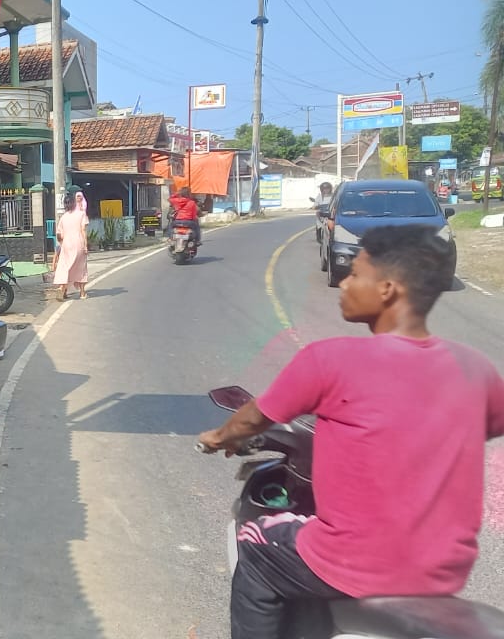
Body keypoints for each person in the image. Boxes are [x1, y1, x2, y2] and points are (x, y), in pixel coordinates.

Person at [197, 224, 504, 639]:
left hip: (357, 563)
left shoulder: (331, 359)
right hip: (444, 572)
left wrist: (219, 438)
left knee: (255, 548)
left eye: (356, 273)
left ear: (387, 289)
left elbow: (253, 418)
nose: (343, 281)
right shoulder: (477, 369)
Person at [51, 191, 89, 300]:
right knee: (81, 268)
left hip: (66, 245)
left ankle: (62, 288)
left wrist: (63, 243)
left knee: (65, 267)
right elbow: (83, 230)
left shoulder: (63, 217)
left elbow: (59, 234)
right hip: (79, 243)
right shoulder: (81, 214)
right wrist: (86, 245)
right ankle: (82, 293)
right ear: (74, 203)